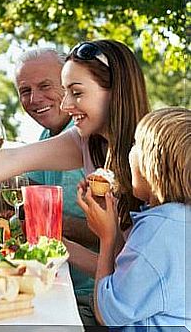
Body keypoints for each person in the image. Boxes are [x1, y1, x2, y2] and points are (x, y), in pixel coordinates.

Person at [0, 40, 150, 324]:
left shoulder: (151, 159)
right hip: (111, 301)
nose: (66, 105)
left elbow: (131, 279)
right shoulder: (87, 143)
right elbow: (8, 159)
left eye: (76, 93)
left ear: (115, 93)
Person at [77, 107, 190, 327]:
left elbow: (106, 314)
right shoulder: (177, 221)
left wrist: (107, 237)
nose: (130, 151)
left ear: (153, 163)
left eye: (136, 144)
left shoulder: (157, 231)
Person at [14, 48, 97, 324]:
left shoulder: (88, 138)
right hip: (53, 285)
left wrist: (49, 220)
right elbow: (30, 192)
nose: (34, 99)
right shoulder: (46, 135)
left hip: (87, 298)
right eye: (24, 91)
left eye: (45, 86)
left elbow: (117, 239)